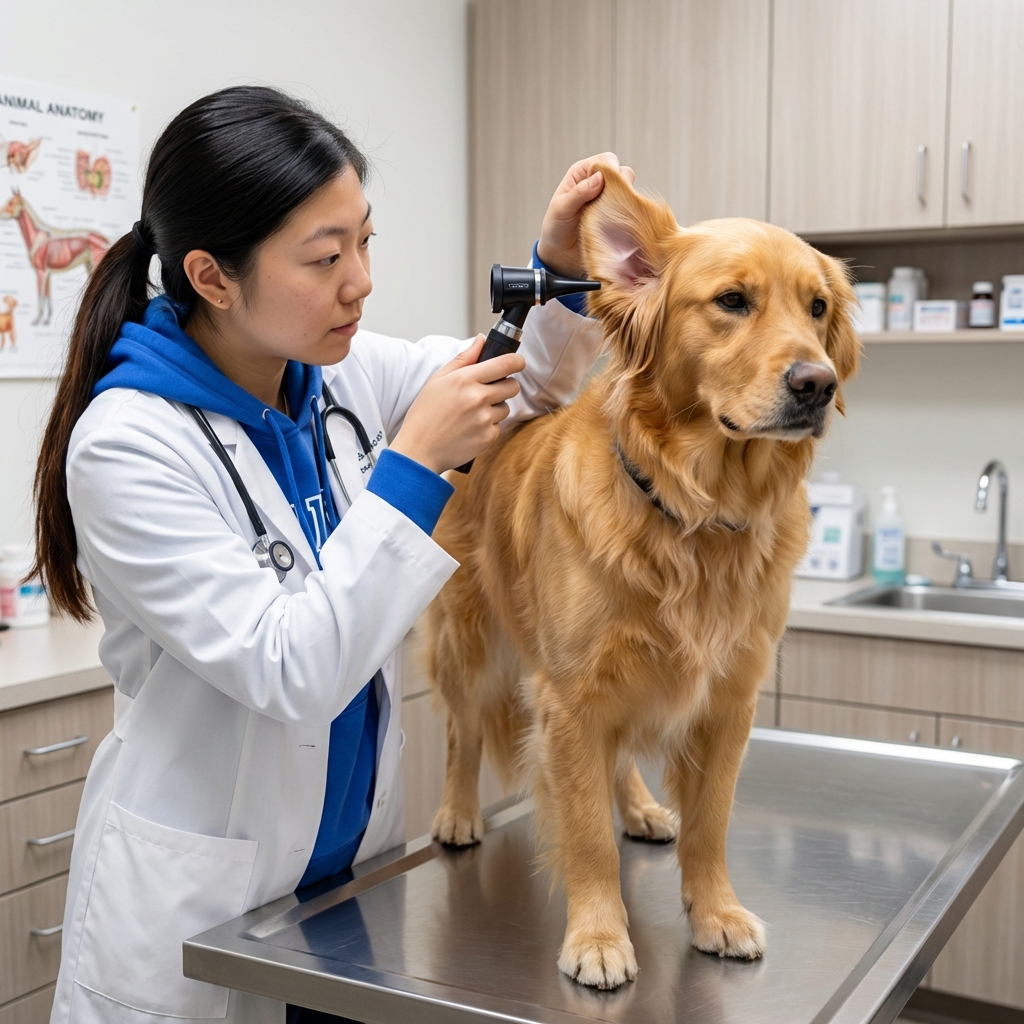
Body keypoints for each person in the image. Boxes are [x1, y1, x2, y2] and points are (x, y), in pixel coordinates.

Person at [31, 85, 632, 1024]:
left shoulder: (340, 375)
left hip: (348, 891)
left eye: (364, 241)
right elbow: (292, 668)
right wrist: (415, 465)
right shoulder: (127, 444)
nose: (359, 280)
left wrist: (554, 264)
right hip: (201, 908)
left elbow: (531, 382)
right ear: (213, 277)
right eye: (324, 256)